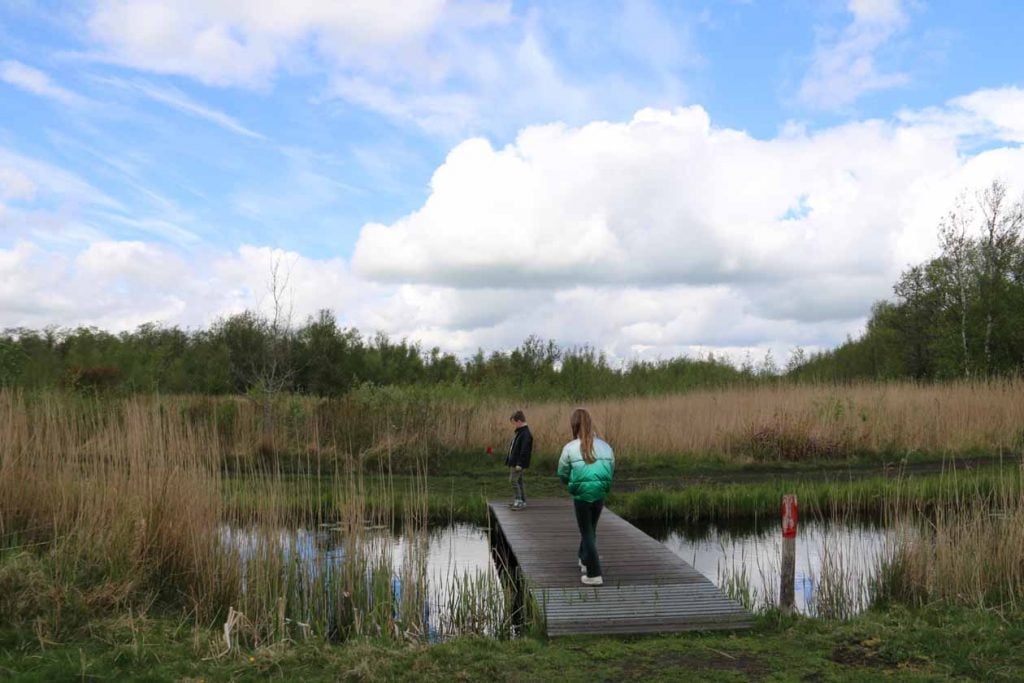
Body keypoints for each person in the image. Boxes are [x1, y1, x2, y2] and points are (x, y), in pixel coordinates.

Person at [557, 408, 614, 586]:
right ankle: (584, 559)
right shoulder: (606, 446)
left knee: (587, 532)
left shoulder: (570, 448)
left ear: (574, 426)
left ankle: (594, 573)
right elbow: (611, 469)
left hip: (581, 495)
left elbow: (562, 473)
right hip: (600, 493)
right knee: (591, 529)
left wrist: (571, 485)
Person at [505, 410, 533, 510]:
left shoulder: (525, 434)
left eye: (514, 423)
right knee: (519, 481)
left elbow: (525, 451)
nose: (513, 425)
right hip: (514, 461)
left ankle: (519, 501)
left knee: (513, 481)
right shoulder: (520, 432)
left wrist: (520, 464)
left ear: (519, 421)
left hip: (518, 463)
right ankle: (522, 500)